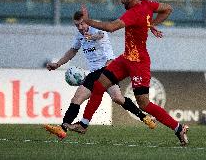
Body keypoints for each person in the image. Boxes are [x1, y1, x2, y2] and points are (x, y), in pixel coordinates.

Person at [65, 0, 189, 146]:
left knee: (143, 103)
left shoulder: (135, 12)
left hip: (139, 62)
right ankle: (83, 124)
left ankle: (178, 127)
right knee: (100, 84)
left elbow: (110, 27)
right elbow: (168, 9)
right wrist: (150, 24)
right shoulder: (147, 4)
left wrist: (88, 21)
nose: (121, 0)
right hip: (126, 58)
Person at [44, 11, 156, 140]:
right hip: (99, 72)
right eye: (77, 25)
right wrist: (58, 64)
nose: (80, 28)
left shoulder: (96, 27)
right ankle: (145, 117)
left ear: (87, 21)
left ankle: (64, 128)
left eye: (82, 24)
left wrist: (91, 37)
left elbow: (101, 34)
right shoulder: (79, 36)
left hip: (107, 68)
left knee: (79, 98)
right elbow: (73, 51)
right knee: (117, 98)